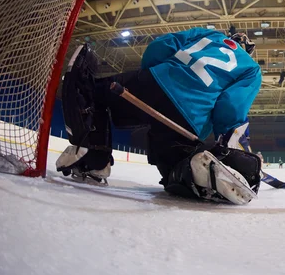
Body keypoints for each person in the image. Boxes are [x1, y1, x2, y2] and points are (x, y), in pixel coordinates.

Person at [56, 28, 263, 205]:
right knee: (174, 172)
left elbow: (160, 46)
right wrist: (219, 137)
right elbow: (230, 107)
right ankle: (193, 172)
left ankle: (94, 160)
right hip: (187, 118)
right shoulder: (252, 69)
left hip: (154, 82)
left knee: (94, 94)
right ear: (249, 50)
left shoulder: (209, 34)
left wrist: (151, 76)